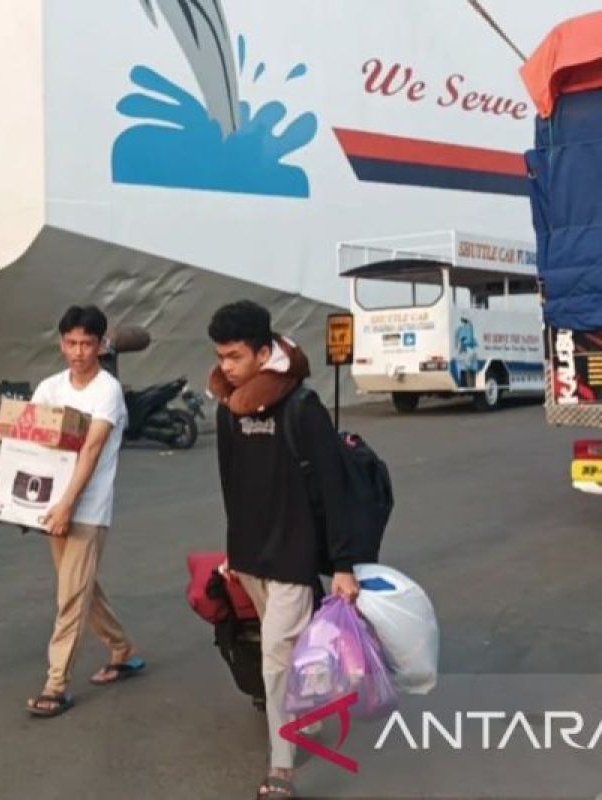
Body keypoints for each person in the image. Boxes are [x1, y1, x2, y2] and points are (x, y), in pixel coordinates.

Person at [206, 301, 360, 799]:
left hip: (293, 557)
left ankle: (282, 767)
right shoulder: (228, 410)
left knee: (275, 658)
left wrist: (342, 565)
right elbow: (232, 484)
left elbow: (334, 488)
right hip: (252, 558)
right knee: (290, 651)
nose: (225, 367)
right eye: (220, 357)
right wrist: (235, 552)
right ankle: (312, 710)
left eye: (234, 356)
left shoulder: (301, 406)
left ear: (263, 350)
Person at [0, 305, 144, 718]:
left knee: (70, 595)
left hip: (87, 507)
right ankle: (121, 647)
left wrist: (68, 504)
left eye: (88, 343)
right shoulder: (50, 387)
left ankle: (56, 685)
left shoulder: (107, 390)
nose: (79, 352)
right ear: (61, 343)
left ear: (101, 345)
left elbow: (91, 449)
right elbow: (20, 441)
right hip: (49, 504)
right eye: (71, 343)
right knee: (81, 586)